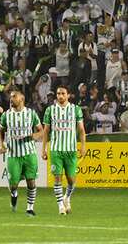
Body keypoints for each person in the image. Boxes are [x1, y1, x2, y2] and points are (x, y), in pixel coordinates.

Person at [41, 84, 86, 216]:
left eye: (63, 93)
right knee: (57, 178)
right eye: (58, 94)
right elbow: (46, 131)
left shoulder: (76, 109)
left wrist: (83, 146)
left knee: (71, 179)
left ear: (68, 95)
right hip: (56, 149)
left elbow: (81, 130)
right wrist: (43, 149)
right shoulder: (50, 110)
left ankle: (67, 197)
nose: (60, 96)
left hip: (71, 150)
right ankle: (60, 206)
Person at [0, 90, 43, 216]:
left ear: (21, 99)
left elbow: (41, 131)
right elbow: (0, 131)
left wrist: (34, 135)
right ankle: (14, 194)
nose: (11, 99)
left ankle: (30, 208)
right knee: (13, 185)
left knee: (31, 181)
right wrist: (1, 144)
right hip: (13, 155)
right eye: (10, 97)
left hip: (29, 153)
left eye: (14, 97)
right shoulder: (6, 115)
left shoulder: (31, 114)